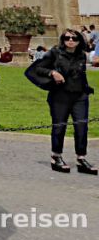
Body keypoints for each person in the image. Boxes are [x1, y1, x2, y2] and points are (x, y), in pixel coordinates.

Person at [34, 28, 96, 174]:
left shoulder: (81, 55)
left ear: (79, 41)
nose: (70, 41)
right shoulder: (55, 53)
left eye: (74, 38)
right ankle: (56, 156)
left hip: (79, 96)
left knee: (81, 127)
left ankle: (81, 158)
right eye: (67, 38)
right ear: (63, 40)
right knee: (59, 126)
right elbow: (38, 68)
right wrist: (53, 72)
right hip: (60, 96)